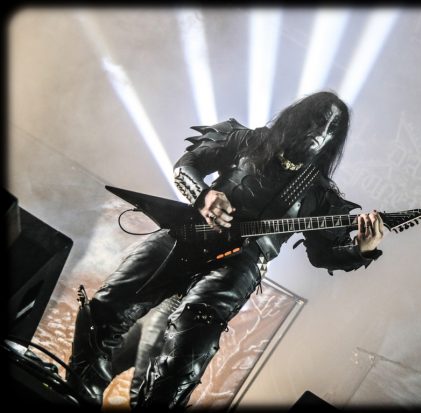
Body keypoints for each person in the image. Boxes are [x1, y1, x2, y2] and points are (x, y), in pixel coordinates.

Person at [66, 91, 385, 409]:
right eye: (318, 120)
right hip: (191, 232)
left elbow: (322, 255)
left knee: (186, 351)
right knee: (107, 305)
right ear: (299, 117)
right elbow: (187, 164)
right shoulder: (249, 140)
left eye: (331, 128)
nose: (320, 132)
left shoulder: (319, 193)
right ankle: (80, 392)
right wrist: (203, 195)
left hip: (241, 263)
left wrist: (362, 249)